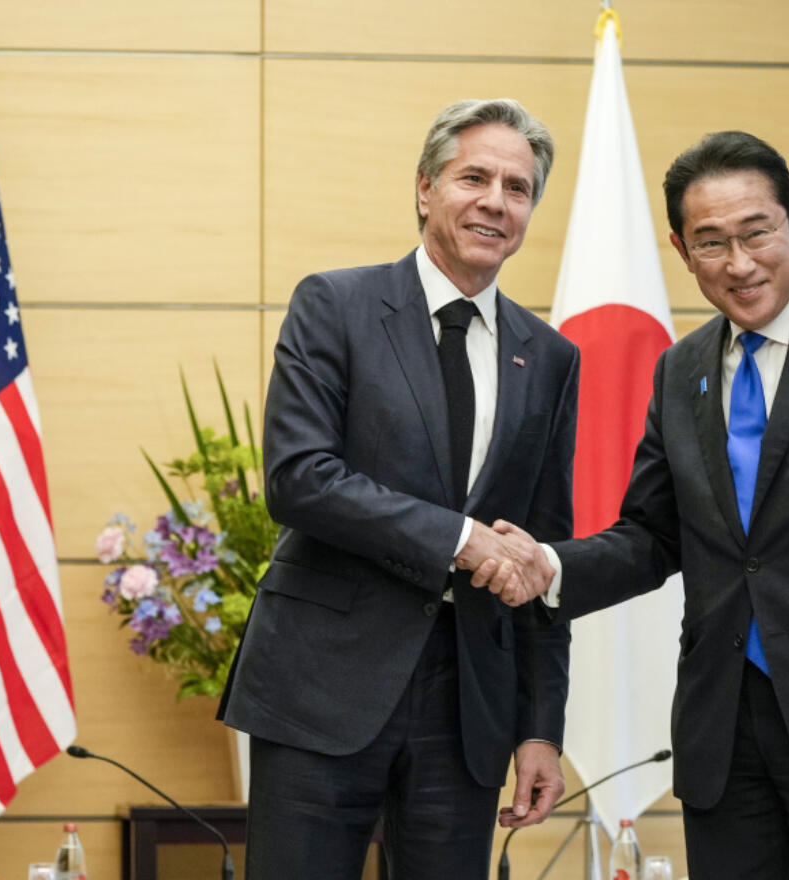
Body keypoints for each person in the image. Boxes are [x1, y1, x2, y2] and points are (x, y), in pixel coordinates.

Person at [463, 130, 789, 880]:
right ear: (682, 253)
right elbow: (652, 537)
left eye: (757, 233)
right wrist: (550, 564)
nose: (740, 264)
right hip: (724, 717)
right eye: (712, 243)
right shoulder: (679, 369)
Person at [217, 98, 580, 880]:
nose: (495, 201)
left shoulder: (549, 357)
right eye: (473, 177)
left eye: (517, 189)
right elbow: (297, 478)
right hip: (323, 687)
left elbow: (542, 551)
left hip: (469, 705)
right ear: (424, 188)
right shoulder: (336, 305)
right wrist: (459, 538)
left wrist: (541, 727)